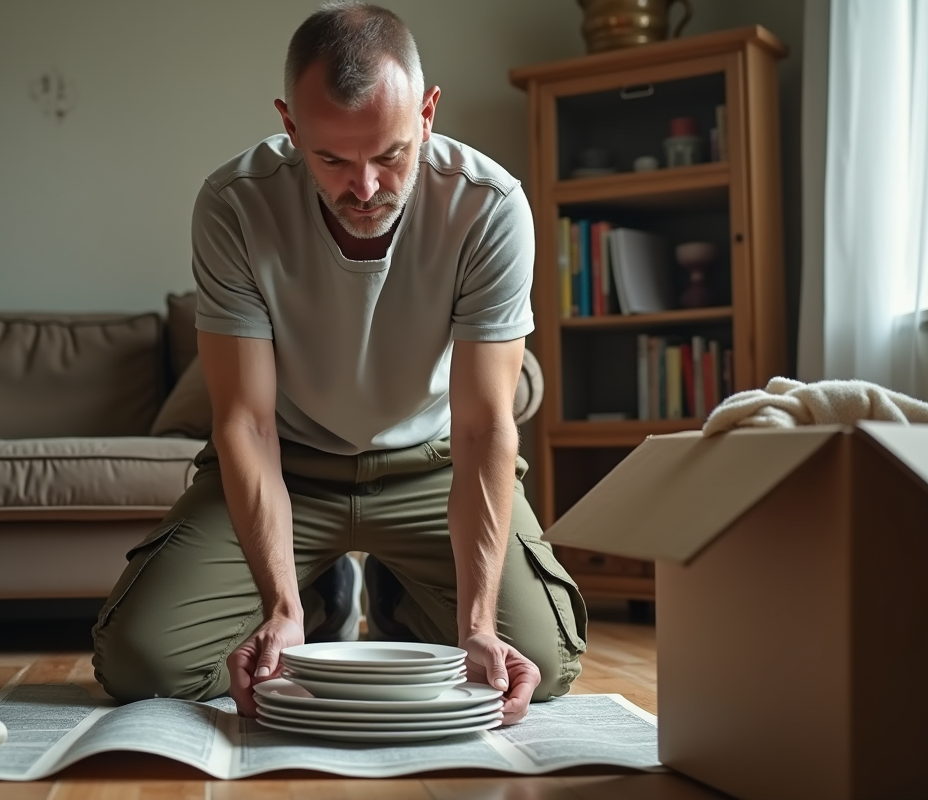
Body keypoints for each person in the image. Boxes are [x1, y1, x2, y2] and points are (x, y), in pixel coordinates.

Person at [92, 0, 586, 725]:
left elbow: (485, 428)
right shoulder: (233, 205)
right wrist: (282, 607)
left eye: (390, 155)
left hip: (435, 463)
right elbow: (244, 421)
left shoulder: (490, 206)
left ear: (427, 113)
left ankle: (401, 594)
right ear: (291, 125)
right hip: (290, 464)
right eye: (331, 159)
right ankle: (319, 599)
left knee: (539, 667)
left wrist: (479, 625)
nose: (365, 189)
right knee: (141, 662)